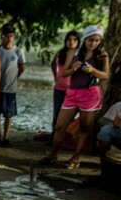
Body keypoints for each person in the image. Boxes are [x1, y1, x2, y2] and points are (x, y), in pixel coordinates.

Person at [40, 25, 109, 169]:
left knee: (85, 128)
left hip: (90, 94)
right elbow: (64, 73)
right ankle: (53, 154)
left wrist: (92, 70)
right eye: (91, 40)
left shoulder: (102, 55)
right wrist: (74, 68)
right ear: (85, 39)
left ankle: (76, 157)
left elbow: (105, 75)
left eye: (97, 40)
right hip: (72, 93)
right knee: (60, 126)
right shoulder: (74, 52)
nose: (94, 43)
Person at [0, 23, 26, 148]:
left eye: (12, 36)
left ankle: (5, 138)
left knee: (9, 115)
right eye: (7, 36)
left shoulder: (18, 51)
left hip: (10, 89)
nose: (10, 38)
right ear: (2, 36)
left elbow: (21, 67)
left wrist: (14, 78)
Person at [48, 31, 80, 144]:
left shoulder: (79, 55)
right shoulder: (60, 53)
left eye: (74, 40)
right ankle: (53, 137)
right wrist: (55, 76)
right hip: (59, 88)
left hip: (73, 90)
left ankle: (66, 138)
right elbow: (52, 64)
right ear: (66, 41)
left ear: (78, 42)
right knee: (57, 113)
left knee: (70, 116)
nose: (71, 42)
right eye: (69, 40)